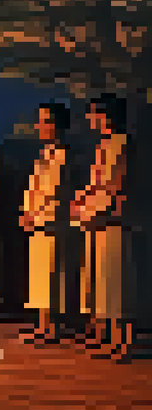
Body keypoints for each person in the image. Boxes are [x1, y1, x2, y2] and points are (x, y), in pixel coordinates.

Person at [74, 93, 136, 361]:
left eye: (95, 114)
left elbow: (116, 182)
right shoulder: (103, 146)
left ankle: (125, 341)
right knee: (101, 280)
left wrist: (98, 204)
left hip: (113, 218)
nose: (91, 120)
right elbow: (97, 182)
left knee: (118, 282)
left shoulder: (122, 144)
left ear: (107, 115)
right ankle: (107, 336)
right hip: (97, 217)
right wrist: (82, 201)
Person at [21, 102, 70, 344]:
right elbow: (33, 188)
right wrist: (26, 212)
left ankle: (53, 326)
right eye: (40, 121)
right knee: (40, 276)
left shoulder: (63, 156)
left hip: (51, 221)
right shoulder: (44, 154)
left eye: (46, 121)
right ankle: (42, 324)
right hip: (37, 220)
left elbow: (56, 192)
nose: (40, 126)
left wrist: (37, 213)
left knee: (52, 274)